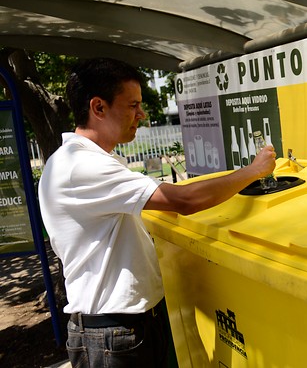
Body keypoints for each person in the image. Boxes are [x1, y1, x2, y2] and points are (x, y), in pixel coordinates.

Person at [38, 57, 276, 368]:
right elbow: (183, 200)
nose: (142, 114)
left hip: (125, 327)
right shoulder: (81, 166)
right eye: (132, 105)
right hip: (113, 334)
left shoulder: (86, 162)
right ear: (98, 108)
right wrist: (254, 171)